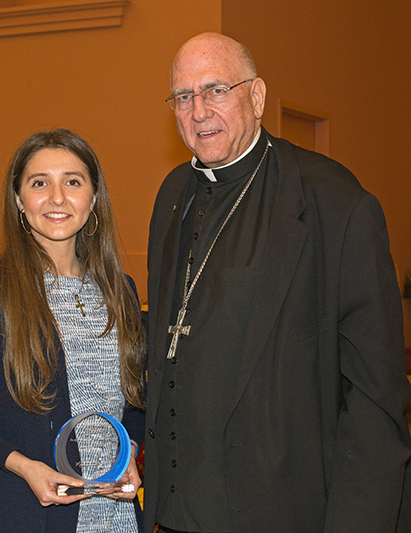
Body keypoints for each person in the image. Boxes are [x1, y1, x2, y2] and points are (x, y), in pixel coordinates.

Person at [143, 32, 411, 533]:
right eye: (183, 96)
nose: (198, 111)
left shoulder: (336, 206)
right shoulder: (173, 194)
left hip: (286, 513)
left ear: (258, 96)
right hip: (175, 515)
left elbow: (375, 403)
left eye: (216, 90)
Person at [0, 129, 146, 533]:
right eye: (40, 183)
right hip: (26, 511)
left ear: (94, 198)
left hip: (113, 516)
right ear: (19, 200)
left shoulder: (121, 290)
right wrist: (24, 467)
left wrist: (129, 452)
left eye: (73, 181)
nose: (58, 197)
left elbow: (134, 401)